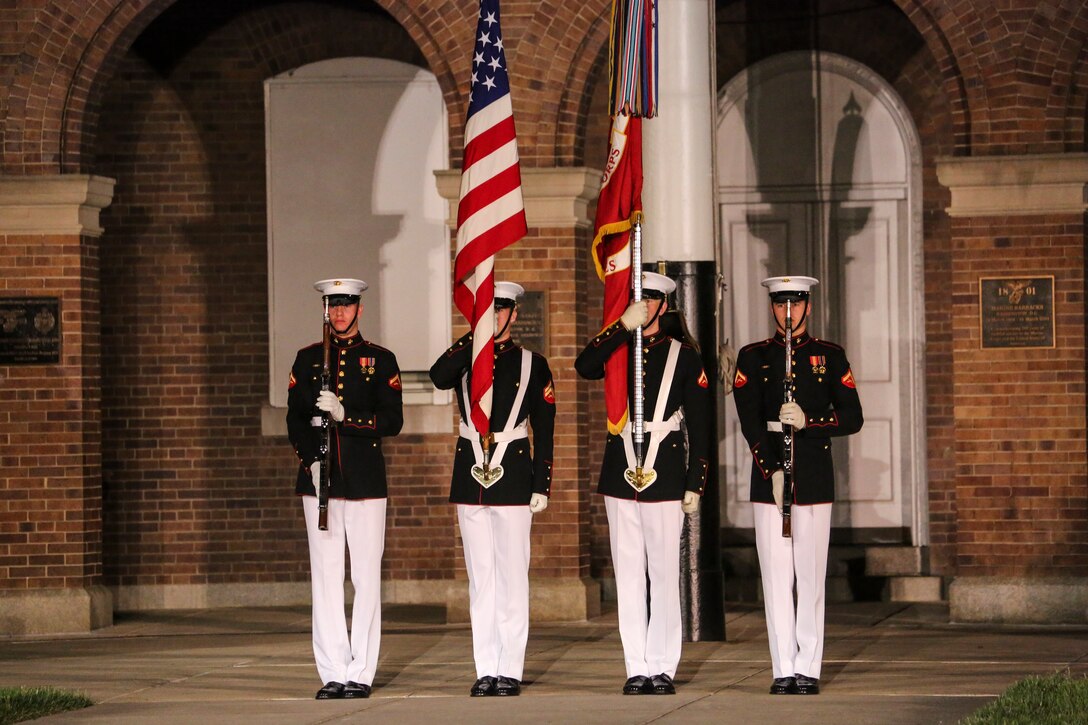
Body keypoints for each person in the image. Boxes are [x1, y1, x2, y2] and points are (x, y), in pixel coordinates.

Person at [575, 271, 711, 696]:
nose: (647, 306)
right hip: (621, 469)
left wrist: (696, 480)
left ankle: (663, 666)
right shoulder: (618, 349)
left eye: (653, 300)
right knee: (629, 574)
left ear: (664, 305)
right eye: (640, 299)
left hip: (666, 470)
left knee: (664, 573)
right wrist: (621, 327)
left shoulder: (683, 355)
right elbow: (584, 366)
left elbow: (701, 423)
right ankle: (636, 664)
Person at [731, 275, 863, 696]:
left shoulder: (830, 355)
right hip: (769, 474)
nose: (786, 312)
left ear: (808, 306)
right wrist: (770, 469)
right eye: (779, 304)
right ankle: (782, 666)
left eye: (794, 304)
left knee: (809, 577)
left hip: (813, 472)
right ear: (771, 307)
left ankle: (808, 666)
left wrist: (811, 420)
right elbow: (748, 420)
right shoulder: (753, 357)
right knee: (775, 577)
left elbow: (853, 416)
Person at [429, 281, 556, 697]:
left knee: (512, 576)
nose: (496, 316)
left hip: (515, 473)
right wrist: (474, 337)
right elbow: (437, 376)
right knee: (481, 578)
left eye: (501, 310)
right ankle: (486, 666)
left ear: (515, 314)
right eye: (488, 309)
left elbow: (546, 429)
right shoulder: (467, 357)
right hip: (471, 472)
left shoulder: (533, 364)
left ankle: (510, 668)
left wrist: (543, 482)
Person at [286, 277, 404, 700]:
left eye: (346, 305)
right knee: (326, 577)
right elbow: (294, 421)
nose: (339, 313)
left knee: (366, 577)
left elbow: (392, 420)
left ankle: (361, 671)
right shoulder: (306, 359)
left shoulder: (380, 360)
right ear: (325, 310)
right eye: (332, 306)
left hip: (364, 479)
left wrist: (345, 413)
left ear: (359, 309)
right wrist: (312, 462)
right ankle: (333, 670)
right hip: (320, 481)